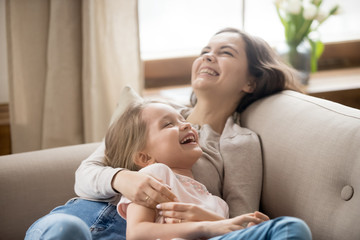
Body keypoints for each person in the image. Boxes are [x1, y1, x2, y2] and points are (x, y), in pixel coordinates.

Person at [25, 27, 304, 240]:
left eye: (226, 52)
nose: (208, 55)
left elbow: (238, 221)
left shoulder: (239, 143)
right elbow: (85, 175)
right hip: (88, 216)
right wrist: (124, 179)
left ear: (251, 81)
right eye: (205, 50)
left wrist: (204, 220)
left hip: (158, 233)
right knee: (67, 228)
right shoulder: (151, 113)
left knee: (291, 229)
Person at [107, 100, 311, 239]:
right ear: (145, 157)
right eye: (168, 124)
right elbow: (136, 233)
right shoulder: (155, 176)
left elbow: (226, 230)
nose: (187, 126)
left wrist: (250, 227)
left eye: (183, 120)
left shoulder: (215, 201)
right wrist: (205, 226)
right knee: (289, 227)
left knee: (286, 229)